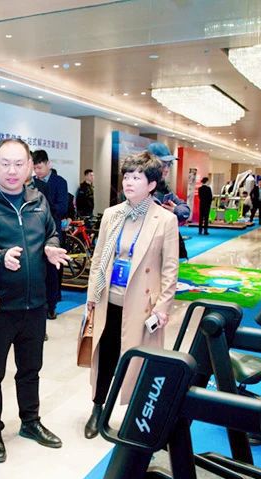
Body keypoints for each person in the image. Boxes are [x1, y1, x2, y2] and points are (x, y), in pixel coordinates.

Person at [0, 138, 69, 464]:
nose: (12, 171)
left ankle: (30, 422)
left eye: (19, 164)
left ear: (29, 167)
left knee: (30, 370)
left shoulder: (38, 200)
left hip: (34, 305)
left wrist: (51, 246)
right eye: (5, 164)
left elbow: (52, 232)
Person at [83, 151, 179, 439]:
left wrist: (162, 307)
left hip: (142, 305)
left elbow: (170, 268)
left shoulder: (165, 220)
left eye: (137, 177)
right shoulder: (112, 214)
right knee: (105, 356)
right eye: (127, 176)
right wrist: (92, 295)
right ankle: (98, 409)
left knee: (138, 361)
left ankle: (135, 414)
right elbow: (99, 258)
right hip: (109, 299)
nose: (129, 182)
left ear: (152, 184)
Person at [32, 149, 68, 320]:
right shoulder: (32, 184)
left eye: (39, 167)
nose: (37, 171)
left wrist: (44, 205)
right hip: (35, 232)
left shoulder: (59, 182)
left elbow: (62, 207)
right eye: (34, 168)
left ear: (48, 164)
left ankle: (52, 305)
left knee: (52, 270)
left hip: (52, 231)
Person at [147, 142, 190, 259]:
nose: (166, 169)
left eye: (169, 165)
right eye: (162, 164)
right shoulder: (141, 190)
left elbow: (185, 210)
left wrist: (175, 210)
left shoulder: (164, 188)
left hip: (169, 247)